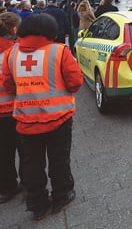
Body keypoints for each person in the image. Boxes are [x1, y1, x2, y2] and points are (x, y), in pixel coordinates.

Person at [0, 13, 83, 221]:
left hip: (26, 120)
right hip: (59, 118)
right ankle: (61, 196)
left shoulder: (12, 55)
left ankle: (37, 205)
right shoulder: (60, 51)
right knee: (59, 159)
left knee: (32, 163)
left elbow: (9, 86)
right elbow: (75, 82)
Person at [0, 12, 22, 205]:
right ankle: (28, 183)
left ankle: (7, 187)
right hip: (15, 108)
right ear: (13, 29)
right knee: (26, 149)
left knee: (3, 152)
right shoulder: (14, 51)